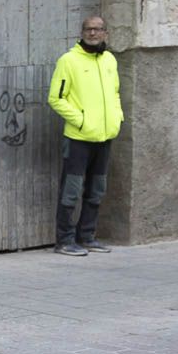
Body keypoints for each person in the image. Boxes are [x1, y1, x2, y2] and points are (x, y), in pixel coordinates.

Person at [47, 16, 124, 256]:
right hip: (79, 138)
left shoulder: (109, 60)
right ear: (82, 32)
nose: (93, 33)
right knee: (71, 189)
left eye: (98, 29)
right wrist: (81, 121)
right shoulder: (68, 61)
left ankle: (87, 236)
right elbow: (55, 98)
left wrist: (117, 117)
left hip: (105, 136)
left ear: (105, 33)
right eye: (88, 29)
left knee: (97, 189)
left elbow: (115, 93)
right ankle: (64, 240)